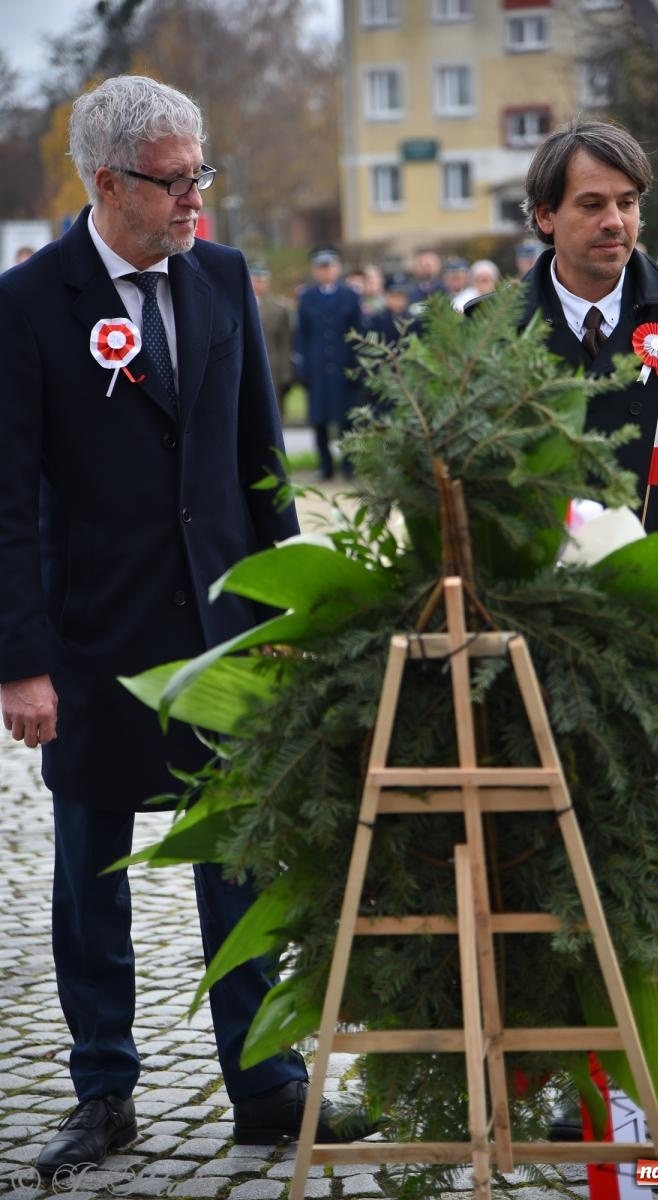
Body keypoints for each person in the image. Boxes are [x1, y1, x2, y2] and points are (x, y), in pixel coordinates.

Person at [0, 74, 373, 1177]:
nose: (195, 202)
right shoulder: (29, 303)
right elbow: (8, 502)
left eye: (202, 175)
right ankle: (103, 1090)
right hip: (92, 645)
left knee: (245, 870)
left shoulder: (219, 277)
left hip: (228, 639)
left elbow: (263, 467)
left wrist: (289, 615)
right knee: (89, 881)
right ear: (107, 183)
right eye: (174, 182)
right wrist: (19, 662)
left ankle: (268, 1086)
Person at [472, 117, 658, 1149]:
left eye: (629, 202)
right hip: (544, 655)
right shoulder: (492, 323)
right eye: (592, 203)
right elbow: (469, 492)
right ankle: (570, 1075)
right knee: (552, 866)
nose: (616, 221)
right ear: (543, 215)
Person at [294, 245, 364, 480]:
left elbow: (358, 331)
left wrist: (357, 366)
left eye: (330, 266)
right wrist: (301, 367)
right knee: (320, 420)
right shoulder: (306, 297)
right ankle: (326, 467)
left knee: (346, 419)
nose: (326, 271)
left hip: (345, 366)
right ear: (314, 270)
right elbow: (301, 334)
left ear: (338, 268)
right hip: (318, 368)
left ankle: (348, 465)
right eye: (321, 267)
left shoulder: (351, 296)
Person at [250, 263, 293, 419]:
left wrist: (286, 375)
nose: (258, 283)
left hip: (272, 368)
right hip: (246, 367)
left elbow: (285, 344)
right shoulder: (237, 304)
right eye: (255, 279)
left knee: (273, 414)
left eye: (262, 280)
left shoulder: (279, 309)